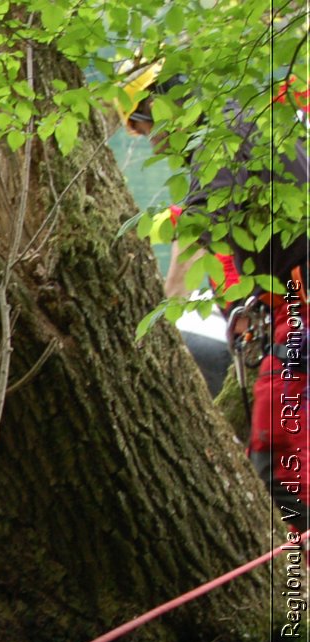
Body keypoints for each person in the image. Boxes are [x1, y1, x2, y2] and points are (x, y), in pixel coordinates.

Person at [121, 61, 310, 531]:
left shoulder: (220, 140)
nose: (150, 140)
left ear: (164, 105)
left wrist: (153, 224)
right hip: (287, 295)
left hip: (298, 299)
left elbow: (207, 222)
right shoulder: (248, 121)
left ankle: (294, 572)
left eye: (144, 125)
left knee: (280, 458)